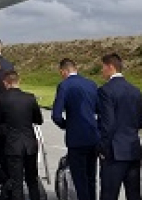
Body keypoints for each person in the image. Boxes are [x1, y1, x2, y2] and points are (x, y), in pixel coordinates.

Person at [97, 53, 142, 200]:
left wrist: (102, 148)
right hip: (132, 148)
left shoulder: (105, 90)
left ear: (110, 67)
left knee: (109, 194)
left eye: (103, 67)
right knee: (134, 194)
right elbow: (141, 121)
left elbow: (108, 124)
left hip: (114, 151)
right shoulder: (135, 90)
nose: (102, 71)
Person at [0, 71, 44, 200]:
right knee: (32, 180)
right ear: (19, 81)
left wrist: (3, 131)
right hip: (29, 144)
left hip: (13, 145)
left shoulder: (1, 99)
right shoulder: (30, 98)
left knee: (16, 182)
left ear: (5, 83)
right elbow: (39, 120)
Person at [51, 58, 100, 200]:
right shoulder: (91, 84)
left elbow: (56, 115)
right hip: (92, 135)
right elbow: (98, 108)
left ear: (63, 71)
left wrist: (66, 125)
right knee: (91, 177)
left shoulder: (64, 86)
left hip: (76, 138)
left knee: (79, 179)